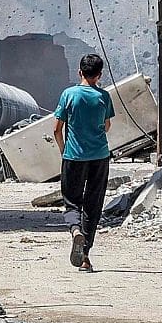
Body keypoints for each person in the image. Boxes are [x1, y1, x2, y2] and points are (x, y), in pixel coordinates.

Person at [53, 54, 116, 273]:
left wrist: (64, 151)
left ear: (80, 72)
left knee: (72, 202)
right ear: (99, 75)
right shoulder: (104, 96)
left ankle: (75, 230)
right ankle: (86, 256)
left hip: (73, 157)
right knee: (93, 205)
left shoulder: (68, 95)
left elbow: (56, 129)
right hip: (99, 156)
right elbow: (106, 125)